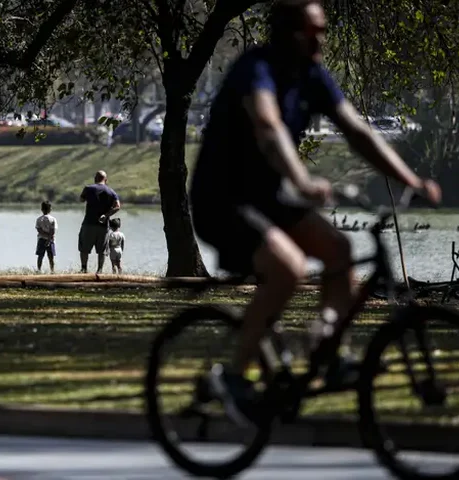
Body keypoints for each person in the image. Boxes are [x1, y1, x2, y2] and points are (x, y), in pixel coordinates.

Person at [189, 0, 442, 424]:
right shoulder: (258, 69)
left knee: (339, 249)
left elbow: (358, 131)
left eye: (322, 29)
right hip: (223, 200)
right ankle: (232, 375)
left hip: (268, 199)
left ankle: (327, 345)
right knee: (288, 268)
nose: (320, 38)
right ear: (288, 33)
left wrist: (410, 179)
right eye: (312, 30)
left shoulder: (312, 75)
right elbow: (268, 129)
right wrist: (303, 182)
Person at [78, 170, 121, 273]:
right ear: (106, 180)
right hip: (103, 226)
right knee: (102, 251)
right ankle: (99, 270)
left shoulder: (88, 188)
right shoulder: (111, 192)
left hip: (88, 223)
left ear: (95, 179)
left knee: (84, 249)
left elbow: (81, 200)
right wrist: (106, 215)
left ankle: (84, 268)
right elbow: (118, 207)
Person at [35, 201, 57, 273]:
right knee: (51, 257)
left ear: (41, 209)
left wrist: (45, 236)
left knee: (40, 256)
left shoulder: (39, 219)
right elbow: (53, 231)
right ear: (50, 209)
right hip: (51, 240)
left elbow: (39, 230)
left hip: (41, 239)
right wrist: (49, 238)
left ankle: (39, 270)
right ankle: (52, 271)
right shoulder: (53, 219)